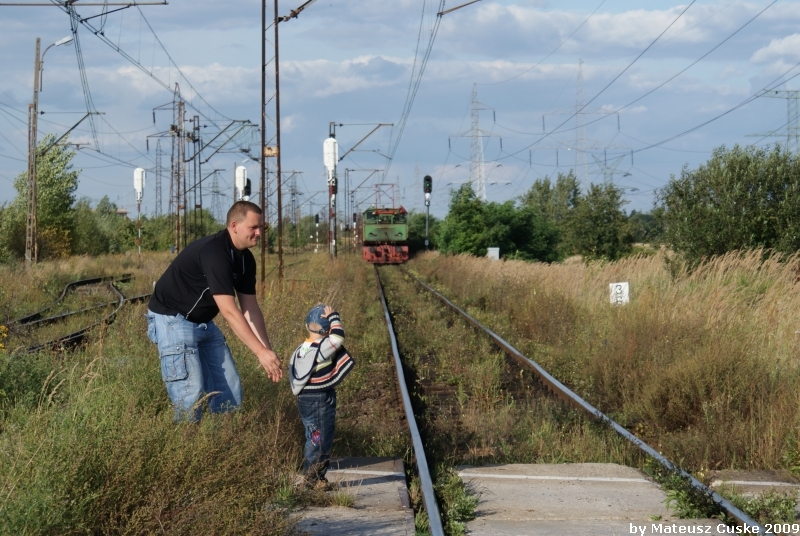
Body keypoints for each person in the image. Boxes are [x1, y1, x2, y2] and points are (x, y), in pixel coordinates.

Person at [145, 200, 281, 421]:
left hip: (203, 321)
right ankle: (186, 441)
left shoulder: (246, 259)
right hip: (173, 319)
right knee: (190, 394)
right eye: (254, 227)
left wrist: (267, 352)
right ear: (234, 226)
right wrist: (259, 352)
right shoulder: (215, 252)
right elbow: (229, 311)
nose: (259, 233)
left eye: (261, 227)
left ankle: (224, 437)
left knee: (229, 388)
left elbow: (250, 309)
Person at [289, 304, 355, 489]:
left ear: (306, 326)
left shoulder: (301, 349)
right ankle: (312, 478)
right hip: (319, 399)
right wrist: (334, 318)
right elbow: (338, 338)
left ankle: (315, 477)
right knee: (320, 438)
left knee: (313, 436)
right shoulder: (322, 348)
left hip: (305, 398)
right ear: (326, 331)